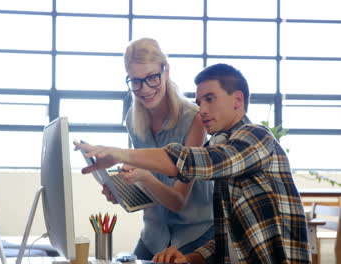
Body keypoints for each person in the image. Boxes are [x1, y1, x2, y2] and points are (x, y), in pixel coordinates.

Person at [75, 63, 310, 263]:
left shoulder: (256, 137)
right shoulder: (222, 149)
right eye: (199, 102)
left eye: (210, 99)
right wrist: (189, 259)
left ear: (238, 100)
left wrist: (116, 153)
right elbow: (227, 237)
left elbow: (191, 161)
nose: (202, 110)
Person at [100, 38, 214, 260]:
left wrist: (144, 177)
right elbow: (147, 191)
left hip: (194, 234)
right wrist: (122, 192)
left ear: (166, 70)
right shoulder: (133, 121)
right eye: (135, 81)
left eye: (152, 78)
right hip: (153, 234)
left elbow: (178, 201)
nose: (144, 89)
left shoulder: (194, 119)